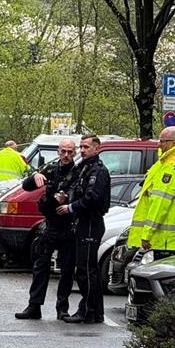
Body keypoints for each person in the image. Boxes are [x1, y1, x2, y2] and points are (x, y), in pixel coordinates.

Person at [15, 138, 78, 320]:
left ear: (74, 153)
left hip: (69, 225)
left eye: (70, 152)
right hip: (50, 224)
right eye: (63, 151)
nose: (66, 155)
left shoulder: (77, 172)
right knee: (40, 265)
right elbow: (27, 186)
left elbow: (81, 196)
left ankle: (62, 309)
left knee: (67, 269)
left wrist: (67, 199)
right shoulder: (51, 169)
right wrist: (34, 177)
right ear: (58, 151)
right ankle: (34, 306)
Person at [58, 135, 110, 324]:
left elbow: (93, 198)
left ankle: (88, 311)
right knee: (89, 269)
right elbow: (76, 188)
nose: (82, 150)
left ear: (97, 149)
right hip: (83, 222)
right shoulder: (84, 168)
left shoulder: (98, 171)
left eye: (86, 147)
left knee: (85, 270)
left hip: (90, 222)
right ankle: (95, 312)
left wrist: (70, 207)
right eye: (81, 147)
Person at [126, 126, 175, 260]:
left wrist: (147, 234)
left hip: (167, 241)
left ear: (173, 143)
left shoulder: (172, 168)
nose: (158, 145)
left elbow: (160, 204)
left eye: (162, 141)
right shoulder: (173, 164)